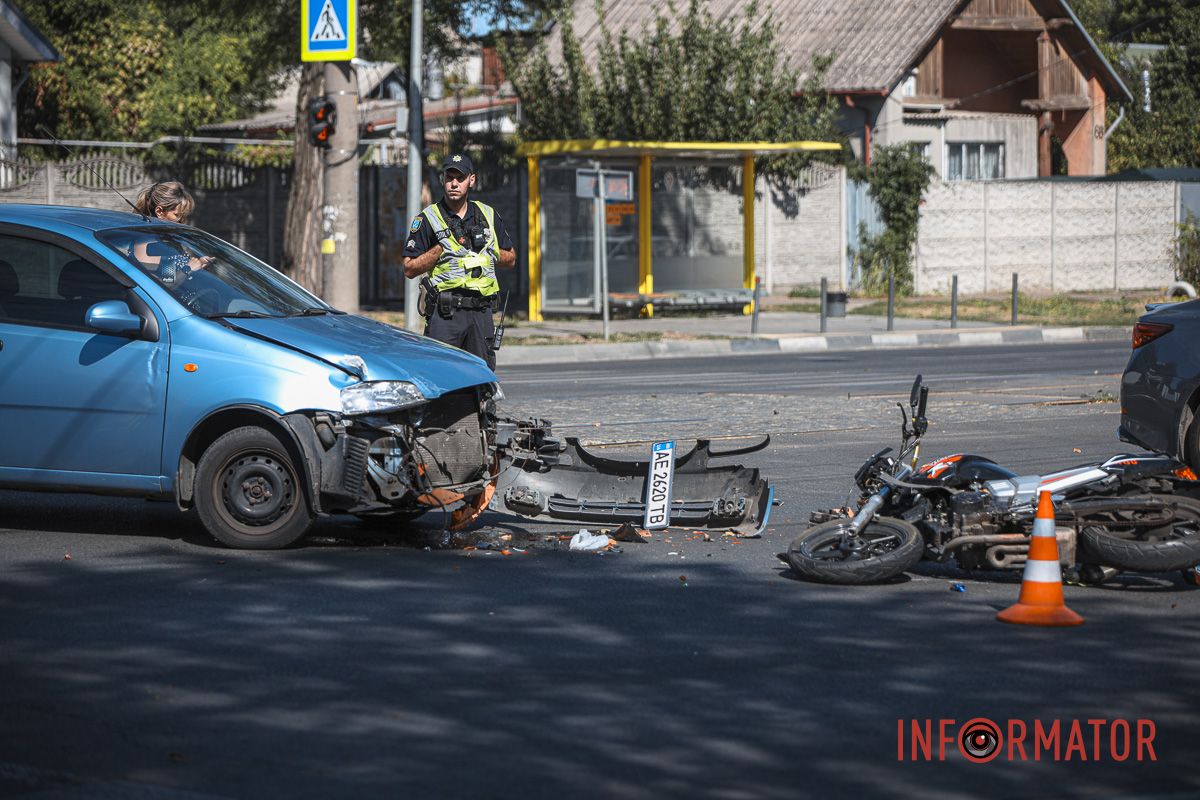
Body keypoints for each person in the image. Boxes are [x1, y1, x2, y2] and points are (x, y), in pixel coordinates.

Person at [403, 153, 516, 370]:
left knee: (481, 375)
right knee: (441, 374)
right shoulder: (427, 218)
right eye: (449, 177)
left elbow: (511, 258)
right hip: (446, 314)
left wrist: (491, 253)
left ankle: (480, 405)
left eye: (460, 178)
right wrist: (437, 251)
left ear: (471, 180)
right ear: (442, 179)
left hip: (481, 314)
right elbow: (409, 268)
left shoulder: (488, 214)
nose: (454, 183)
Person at [130, 181, 212, 282]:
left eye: (184, 216)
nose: (182, 221)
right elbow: (165, 283)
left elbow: (172, 269)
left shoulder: (166, 239)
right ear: (159, 211)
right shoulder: (146, 242)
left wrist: (199, 263)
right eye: (177, 215)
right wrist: (188, 269)